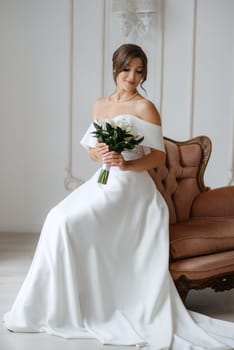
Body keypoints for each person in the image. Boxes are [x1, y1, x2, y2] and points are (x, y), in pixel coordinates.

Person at [3, 44, 234, 349]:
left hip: (132, 189)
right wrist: (97, 152)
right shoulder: (100, 105)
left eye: (139, 71)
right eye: (127, 69)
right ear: (115, 69)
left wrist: (127, 163)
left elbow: (156, 158)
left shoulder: (145, 107)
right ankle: (58, 304)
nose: (132, 77)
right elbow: (90, 151)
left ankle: (93, 302)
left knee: (70, 222)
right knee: (57, 219)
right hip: (105, 181)